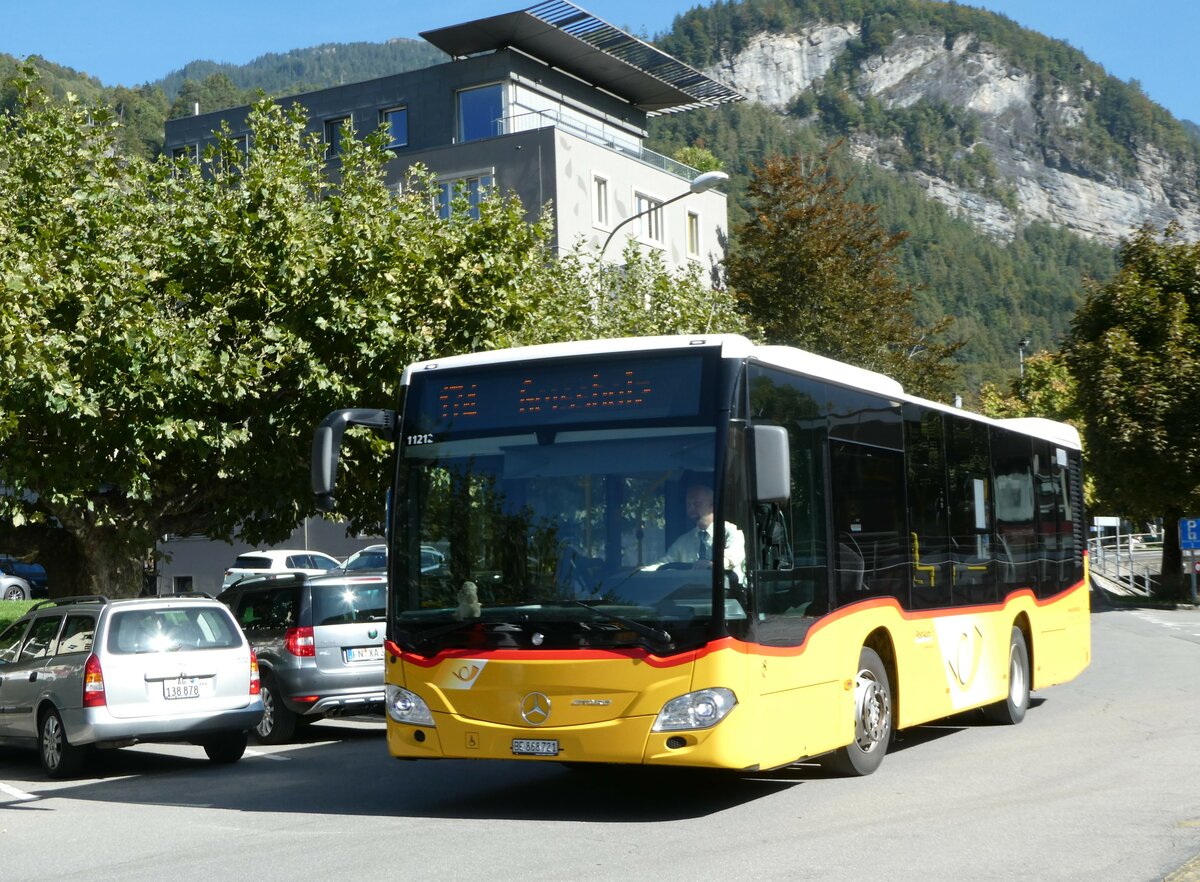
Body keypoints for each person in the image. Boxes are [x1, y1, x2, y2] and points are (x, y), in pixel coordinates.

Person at [659, 484, 746, 580]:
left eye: (697, 504)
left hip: (725, 588)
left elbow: (735, 554)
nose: (691, 509)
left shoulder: (730, 532)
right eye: (688, 504)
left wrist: (714, 564)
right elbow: (664, 563)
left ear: (712, 506)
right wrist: (645, 571)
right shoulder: (683, 541)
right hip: (691, 588)